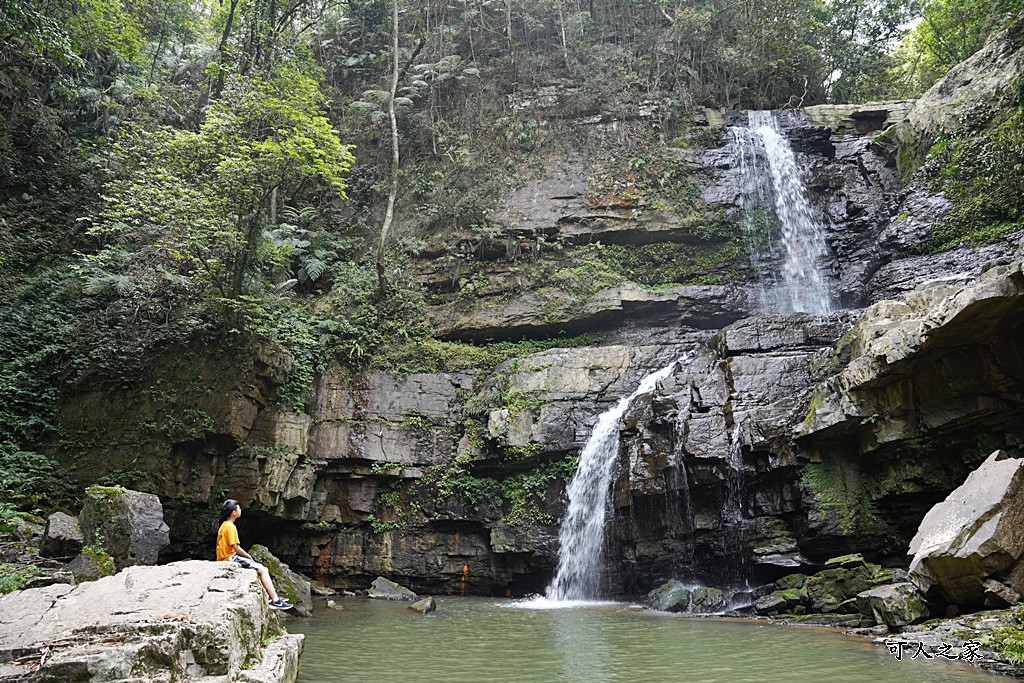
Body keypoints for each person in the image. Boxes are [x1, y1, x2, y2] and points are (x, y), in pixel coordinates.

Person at [217, 499, 293, 610]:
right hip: (230, 558)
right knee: (263, 570)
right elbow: (236, 547)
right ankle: (275, 601)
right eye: (238, 508)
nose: (240, 510)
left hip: (224, 558)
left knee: (258, 571)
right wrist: (248, 556)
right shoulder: (231, 527)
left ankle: (270, 596)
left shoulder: (224, 525)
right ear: (234, 512)